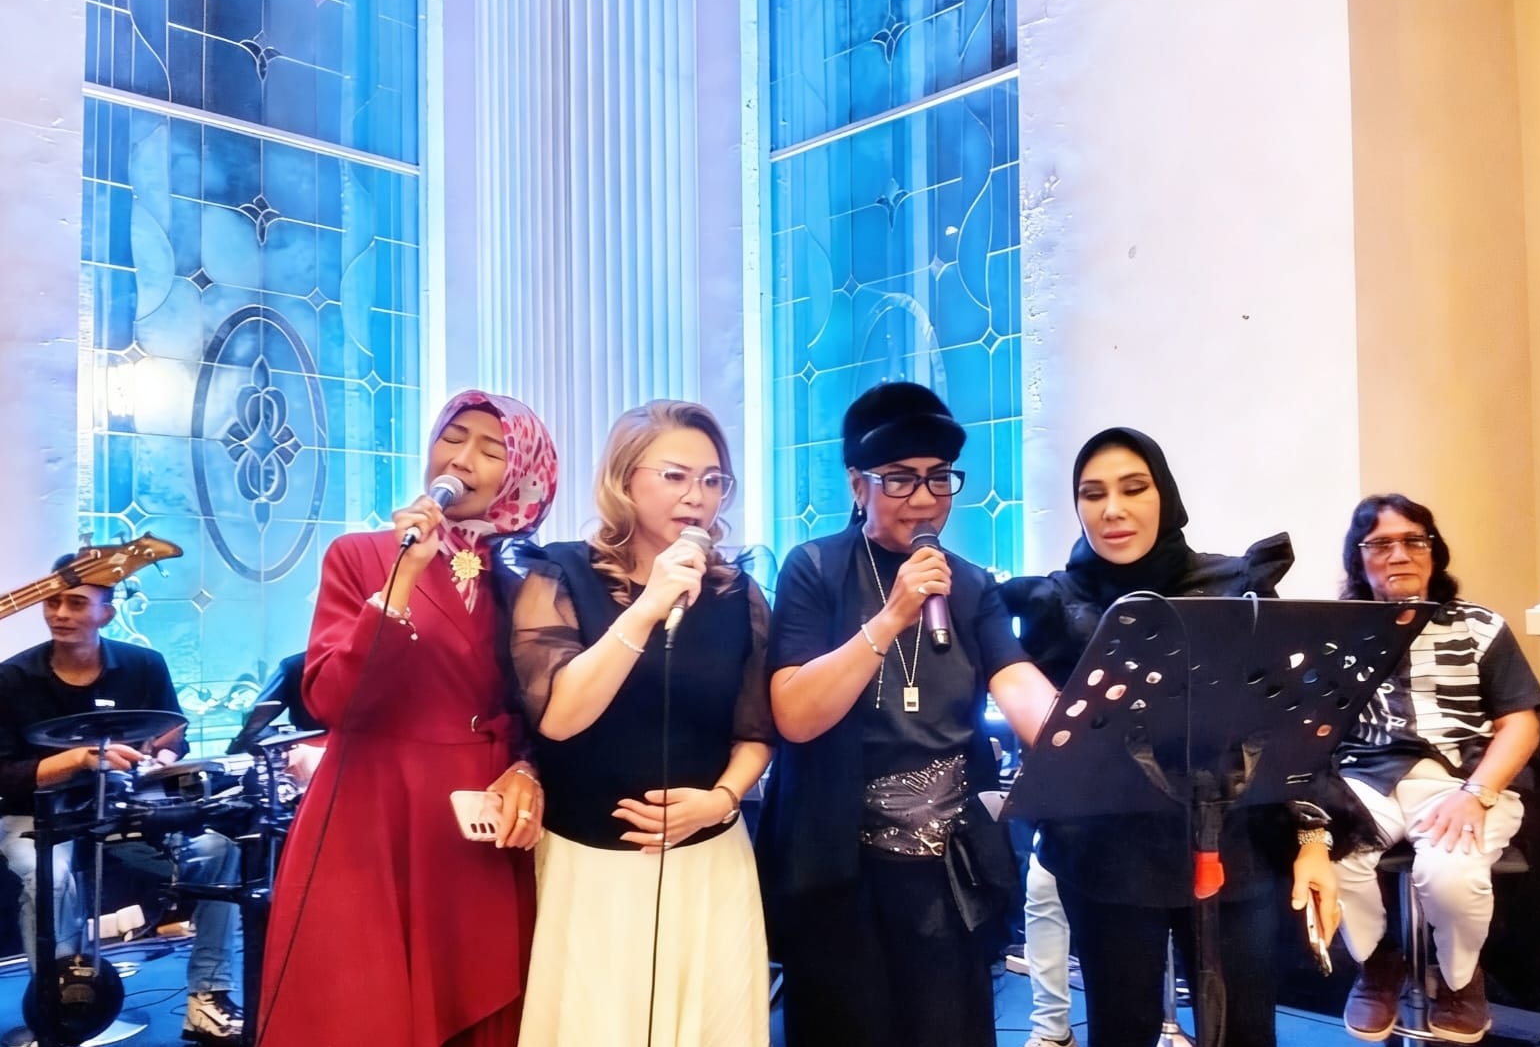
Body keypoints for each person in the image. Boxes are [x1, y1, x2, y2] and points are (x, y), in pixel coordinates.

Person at [1000, 427, 1341, 1047]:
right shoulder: (1055, 601)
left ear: (1167, 496)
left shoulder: (1235, 585)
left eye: (1134, 488)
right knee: (1120, 1028)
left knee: (1244, 1029)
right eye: (1093, 494)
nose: (1112, 509)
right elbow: (1046, 737)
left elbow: (1287, 729)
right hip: (1108, 855)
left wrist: (1313, 839)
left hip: (1234, 845)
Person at [759, 382, 1057, 1047]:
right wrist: (893, 615)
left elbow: (1014, 678)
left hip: (946, 868)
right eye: (899, 478)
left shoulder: (968, 583)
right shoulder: (815, 569)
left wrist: (1080, 738)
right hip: (840, 863)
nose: (924, 499)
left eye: (939, 478)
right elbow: (795, 715)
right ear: (857, 484)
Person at [257, 389, 558, 1047]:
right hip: (372, 812)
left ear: (521, 475)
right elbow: (332, 700)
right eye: (452, 437)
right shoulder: (362, 555)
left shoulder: (527, 581)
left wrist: (528, 768)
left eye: (491, 449)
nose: (462, 459)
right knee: (361, 1007)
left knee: (476, 995)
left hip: (474, 822)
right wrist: (400, 582)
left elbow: (536, 708)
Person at [507, 400, 774, 1046]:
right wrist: (648, 604)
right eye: (675, 475)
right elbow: (560, 717)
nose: (697, 496)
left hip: (710, 859)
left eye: (713, 480)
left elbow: (756, 731)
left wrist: (719, 801)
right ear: (624, 480)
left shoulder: (737, 593)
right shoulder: (559, 574)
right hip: (589, 863)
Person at [0, 553, 244, 1044]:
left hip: (122, 808)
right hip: (36, 815)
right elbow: (5, 776)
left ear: (107, 613)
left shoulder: (143, 665)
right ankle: (63, 1007)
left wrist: (163, 754)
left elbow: (173, 734)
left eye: (75, 603)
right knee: (48, 877)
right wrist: (79, 759)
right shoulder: (11, 678)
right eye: (52, 602)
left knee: (218, 851)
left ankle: (208, 997)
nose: (60, 614)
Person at [1333, 494, 1540, 1044]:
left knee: (1449, 877)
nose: (1399, 554)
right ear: (1359, 559)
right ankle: (1377, 963)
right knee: (1330, 855)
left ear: (1434, 552)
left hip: (1462, 779)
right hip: (1367, 778)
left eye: (1413, 540)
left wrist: (1476, 793)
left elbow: (1521, 724)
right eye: (1381, 544)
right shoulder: (1336, 634)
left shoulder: (1480, 626)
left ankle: (1458, 979)